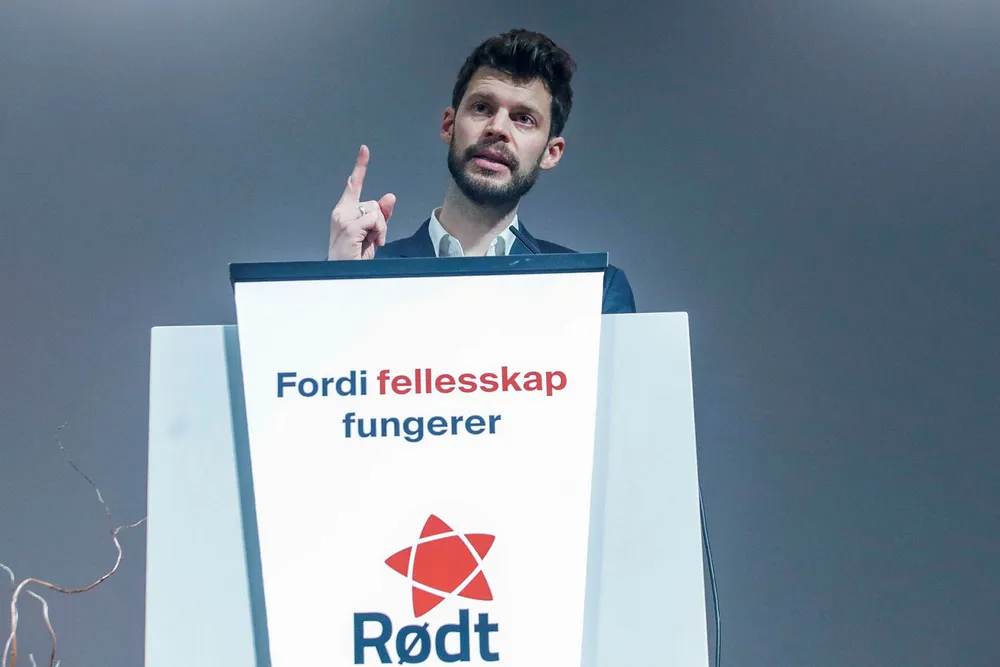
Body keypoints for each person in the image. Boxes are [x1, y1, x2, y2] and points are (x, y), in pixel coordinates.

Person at [326, 29, 636, 314]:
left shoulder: (592, 290)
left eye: (524, 119)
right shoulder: (361, 269)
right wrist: (333, 284)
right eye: (481, 108)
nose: (497, 128)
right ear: (449, 125)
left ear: (550, 152)